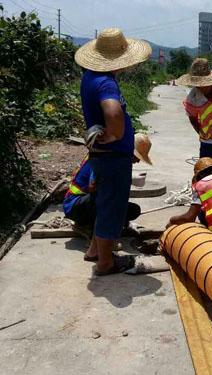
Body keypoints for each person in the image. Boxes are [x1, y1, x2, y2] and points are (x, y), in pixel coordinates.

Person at [74, 28, 151, 275]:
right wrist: (117, 134)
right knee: (112, 209)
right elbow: (113, 112)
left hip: (103, 157)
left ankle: (95, 250)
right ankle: (106, 262)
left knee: (105, 203)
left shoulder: (89, 77)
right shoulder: (105, 82)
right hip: (112, 158)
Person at [63, 134, 153, 260]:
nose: (137, 161)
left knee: (132, 210)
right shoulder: (105, 157)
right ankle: (92, 233)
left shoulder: (117, 160)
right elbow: (93, 187)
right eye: (137, 157)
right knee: (107, 199)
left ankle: (102, 229)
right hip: (75, 205)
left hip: (88, 201)